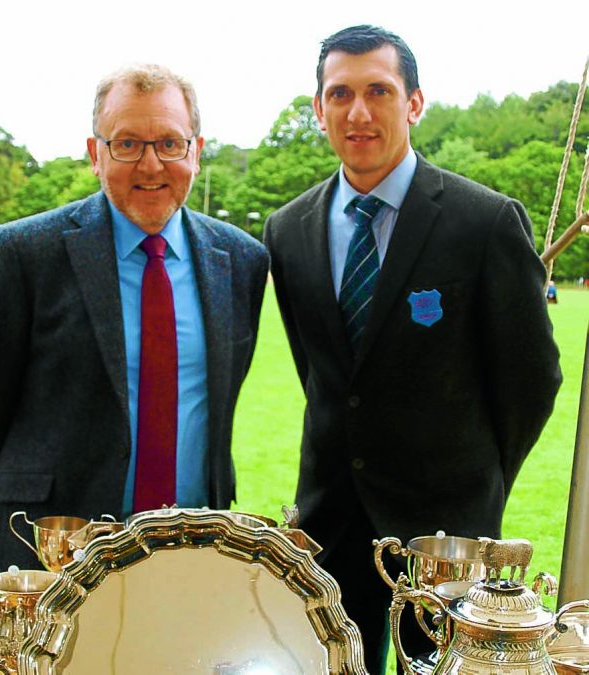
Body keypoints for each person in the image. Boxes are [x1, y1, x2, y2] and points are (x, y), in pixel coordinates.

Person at [263, 25, 562, 674]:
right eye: (339, 94)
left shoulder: (483, 222)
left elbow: (532, 378)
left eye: (380, 90)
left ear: (415, 103)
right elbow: (324, 372)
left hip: (447, 536)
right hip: (330, 527)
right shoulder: (286, 230)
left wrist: (478, 485)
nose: (359, 111)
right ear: (318, 109)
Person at [0, 64, 269, 575]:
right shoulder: (27, 253)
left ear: (197, 150)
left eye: (169, 143)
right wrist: (31, 488)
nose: (150, 165)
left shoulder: (242, 260)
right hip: (52, 550)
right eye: (127, 144)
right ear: (96, 153)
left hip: (192, 549)